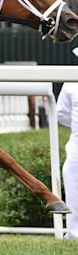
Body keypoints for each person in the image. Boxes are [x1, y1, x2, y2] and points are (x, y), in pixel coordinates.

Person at [56, 47, 78, 240]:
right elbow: (61, 114)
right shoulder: (71, 82)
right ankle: (74, 234)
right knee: (72, 183)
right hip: (77, 143)